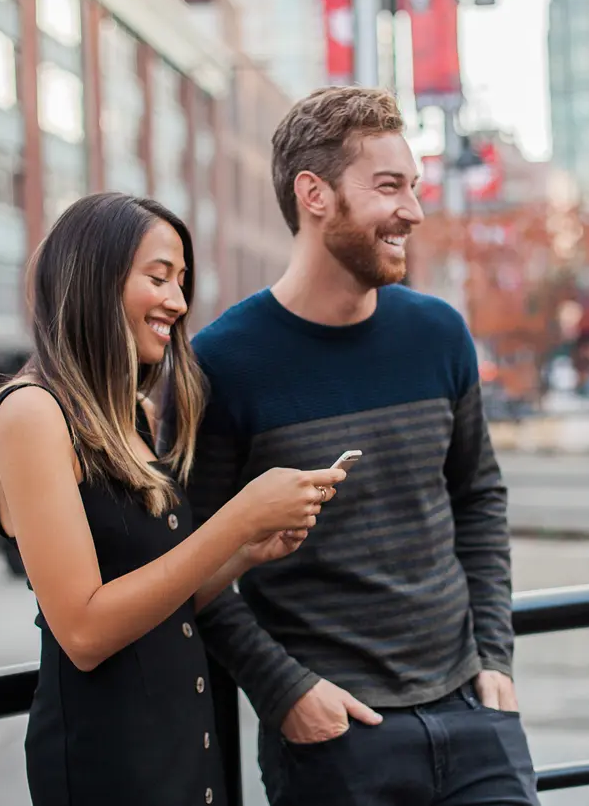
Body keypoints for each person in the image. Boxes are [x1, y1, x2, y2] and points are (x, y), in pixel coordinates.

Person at [167, 87, 541, 805]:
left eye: (414, 187)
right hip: (333, 738)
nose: (414, 210)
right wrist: (284, 691)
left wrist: (494, 654)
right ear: (315, 194)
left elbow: (479, 497)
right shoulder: (220, 365)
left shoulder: (438, 334)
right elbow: (188, 562)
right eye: (389, 186)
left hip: (472, 714)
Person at [0, 193, 347, 806]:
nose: (178, 301)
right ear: (94, 280)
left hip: (186, 747)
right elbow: (84, 631)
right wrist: (237, 521)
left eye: (181, 281)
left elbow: (162, 600)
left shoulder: (136, 415)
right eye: (158, 278)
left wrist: (245, 552)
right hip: (109, 767)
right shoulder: (31, 413)